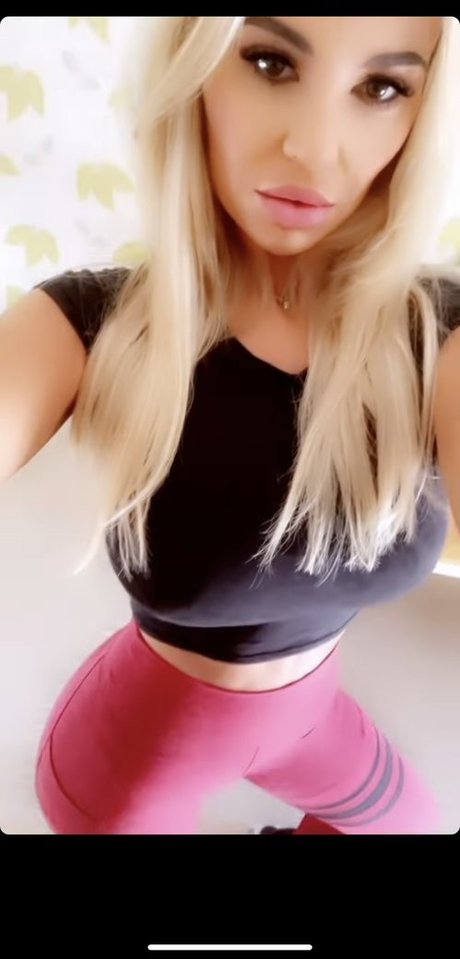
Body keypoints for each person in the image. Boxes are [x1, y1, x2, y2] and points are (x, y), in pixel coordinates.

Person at [3, 17, 460, 835]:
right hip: (138, 749)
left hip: (314, 723)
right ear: (196, 67)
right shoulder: (91, 322)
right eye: (270, 62)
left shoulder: (435, 336)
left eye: (382, 87)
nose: (314, 151)